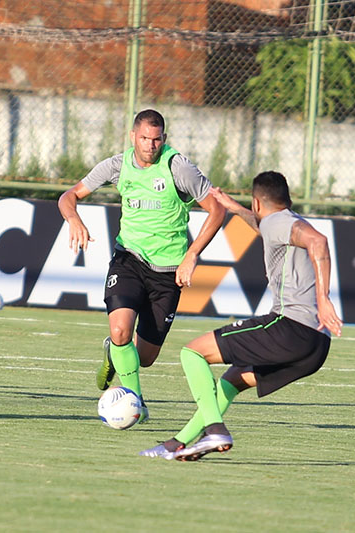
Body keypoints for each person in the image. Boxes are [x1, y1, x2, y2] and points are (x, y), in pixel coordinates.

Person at [140, 171, 343, 460]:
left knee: (192, 353)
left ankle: (214, 429)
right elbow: (264, 226)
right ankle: (179, 442)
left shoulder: (279, 222)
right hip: (316, 345)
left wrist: (323, 299)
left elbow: (319, 242)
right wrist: (234, 208)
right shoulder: (281, 221)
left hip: (291, 328)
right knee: (233, 378)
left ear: (258, 202)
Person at [58, 109, 224, 418]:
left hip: (168, 272)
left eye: (157, 139)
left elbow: (216, 210)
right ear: (133, 136)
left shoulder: (178, 167)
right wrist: (74, 219)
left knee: (145, 357)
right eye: (145, 138)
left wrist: (192, 254)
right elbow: (70, 195)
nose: (150, 145)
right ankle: (135, 399)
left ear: (164, 138)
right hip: (129, 259)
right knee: (121, 331)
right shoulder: (117, 165)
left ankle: (114, 353)